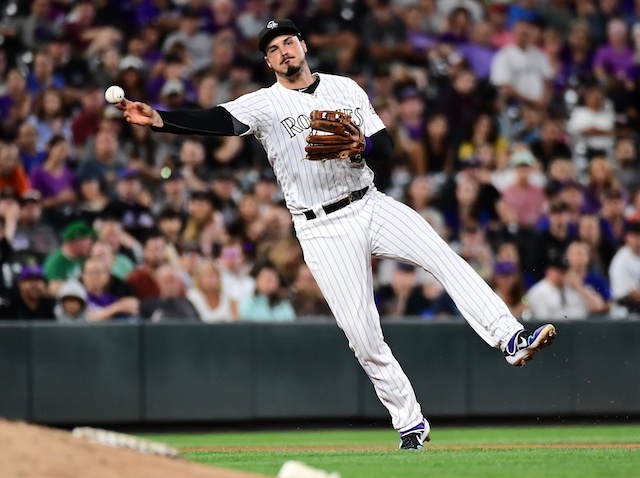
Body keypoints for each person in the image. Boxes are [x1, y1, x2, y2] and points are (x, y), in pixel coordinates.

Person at [119, 18, 556, 450]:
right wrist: (161, 119)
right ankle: (410, 423)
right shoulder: (265, 104)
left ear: (304, 46)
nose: (282, 51)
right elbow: (216, 120)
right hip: (321, 227)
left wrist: (361, 146)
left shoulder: (346, 88)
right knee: (361, 333)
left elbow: (385, 149)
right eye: (272, 48)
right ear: (268, 61)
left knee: (442, 255)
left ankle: (509, 336)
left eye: (288, 42)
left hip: (369, 201)